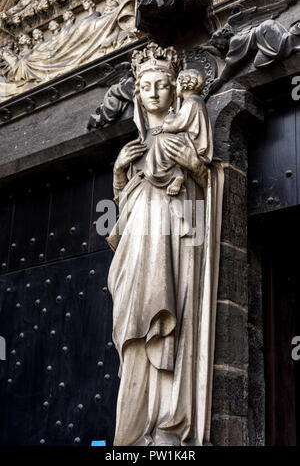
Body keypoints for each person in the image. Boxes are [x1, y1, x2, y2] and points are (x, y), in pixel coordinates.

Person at [107, 43, 224, 446]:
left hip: (173, 242)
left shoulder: (185, 132)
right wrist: (121, 172)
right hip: (134, 249)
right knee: (133, 332)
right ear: (137, 94)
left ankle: (168, 424)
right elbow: (121, 211)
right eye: (145, 86)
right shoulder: (133, 148)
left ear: (174, 90)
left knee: (169, 322)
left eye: (161, 85)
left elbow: (206, 188)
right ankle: (134, 432)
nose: (153, 92)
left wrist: (190, 165)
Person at [141, 68, 207, 196]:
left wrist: (166, 124)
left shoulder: (192, 101)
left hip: (191, 142)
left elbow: (179, 123)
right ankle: (167, 173)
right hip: (187, 139)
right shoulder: (193, 101)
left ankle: (160, 174)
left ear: (183, 85)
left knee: (161, 140)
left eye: (176, 85)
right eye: (146, 87)